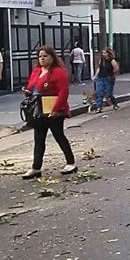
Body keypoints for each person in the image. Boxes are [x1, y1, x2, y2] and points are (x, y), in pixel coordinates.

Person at [21, 45, 76, 179]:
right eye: (40, 56)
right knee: (39, 139)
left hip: (54, 110)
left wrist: (56, 109)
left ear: (52, 57)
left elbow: (63, 92)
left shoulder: (59, 72)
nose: (42, 59)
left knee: (59, 136)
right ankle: (36, 168)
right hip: (38, 110)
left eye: (45, 56)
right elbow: (32, 86)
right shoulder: (37, 71)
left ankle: (71, 162)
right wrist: (28, 91)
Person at [93, 48, 120, 113]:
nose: (103, 54)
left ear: (108, 53)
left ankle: (114, 103)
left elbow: (116, 68)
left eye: (105, 53)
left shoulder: (111, 60)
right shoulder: (101, 60)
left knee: (109, 93)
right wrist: (95, 76)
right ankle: (99, 107)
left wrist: (111, 74)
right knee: (99, 92)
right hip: (100, 78)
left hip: (108, 79)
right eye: (102, 53)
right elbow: (99, 68)